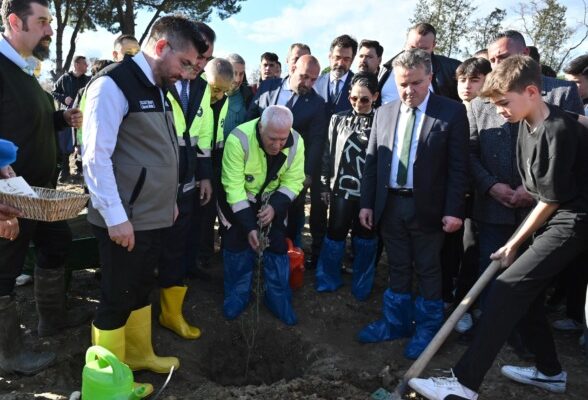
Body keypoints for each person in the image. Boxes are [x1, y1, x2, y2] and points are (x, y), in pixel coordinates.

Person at [409, 55, 588, 400]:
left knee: (507, 286)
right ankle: (550, 372)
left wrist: (512, 244)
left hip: (574, 221)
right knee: (527, 293)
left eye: (504, 103)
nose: (500, 110)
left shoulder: (557, 130)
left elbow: (549, 200)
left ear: (533, 92)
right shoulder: (528, 125)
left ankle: (464, 383)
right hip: (552, 218)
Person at [82, 15, 208, 385]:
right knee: (115, 297)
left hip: (152, 214)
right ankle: (105, 384)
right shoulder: (112, 84)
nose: (187, 74)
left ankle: (138, 356)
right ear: (160, 47)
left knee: (139, 289)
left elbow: (160, 149)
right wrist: (116, 217)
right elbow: (95, 157)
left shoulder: (157, 85)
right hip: (124, 219)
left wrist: (167, 199)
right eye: (185, 63)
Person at [357, 49, 468, 360]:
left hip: (429, 209)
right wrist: (367, 203)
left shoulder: (451, 112)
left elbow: (458, 167)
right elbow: (372, 163)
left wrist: (453, 209)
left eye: (416, 83)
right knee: (398, 265)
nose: (409, 90)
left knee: (429, 268)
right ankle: (396, 323)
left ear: (429, 78)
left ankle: (428, 328)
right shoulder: (384, 112)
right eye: (403, 83)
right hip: (390, 205)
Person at [0, 0, 87, 375]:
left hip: (41, 194)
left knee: (57, 244)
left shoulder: (24, 69)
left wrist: (58, 118)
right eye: (43, 22)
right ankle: (7, 354)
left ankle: (50, 319)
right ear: (15, 21)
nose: (50, 30)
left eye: (51, 21)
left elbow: (21, 120)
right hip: (11, 198)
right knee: (4, 271)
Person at [219, 105, 305, 325]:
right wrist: (249, 227)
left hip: (271, 201)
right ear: (260, 127)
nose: (277, 145)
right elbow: (234, 188)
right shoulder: (238, 139)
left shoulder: (297, 141)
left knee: (276, 246)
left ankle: (277, 299)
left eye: (282, 139)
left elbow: (294, 180)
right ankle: (237, 297)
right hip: (238, 201)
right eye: (272, 139)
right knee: (236, 245)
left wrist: (275, 207)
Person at [156, 32, 216, 341]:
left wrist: (204, 174)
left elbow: (203, 133)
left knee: (180, 238)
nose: (202, 66)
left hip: (190, 174)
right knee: (154, 240)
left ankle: (171, 310)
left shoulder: (202, 87)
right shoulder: (158, 80)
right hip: (158, 174)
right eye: (198, 58)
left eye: (206, 59)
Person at [246, 55, 327, 254]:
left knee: (288, 212)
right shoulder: (269, 86)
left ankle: (288, 252)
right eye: (304, 76)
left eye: (313, 79)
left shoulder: (317, 104)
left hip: (290, 169)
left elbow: (317, 141)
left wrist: (307, 173)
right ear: (292, 68)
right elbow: (251, 116)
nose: (308, 83)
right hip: (256, 163)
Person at [315, 72, 379, 301]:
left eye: (364, 99)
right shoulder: (338, 118)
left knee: (366, 238)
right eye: (353, 98)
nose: (358, 103)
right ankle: (328, 278)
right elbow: (327, 153)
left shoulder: (383, 121)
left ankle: (362, 285)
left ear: (375, 96)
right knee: (335, 234)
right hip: (341, 188)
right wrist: (323, 185)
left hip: (368, 192)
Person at [451, 56, 491, 335]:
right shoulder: (449, 110)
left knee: (472, 251)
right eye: (462, 80)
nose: (467, 85)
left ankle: (467, 305)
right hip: (453, 196)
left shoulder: (496, 112)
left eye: (474, 79)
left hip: (484, 197)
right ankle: (451, 301)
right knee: (451, 252)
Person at [193, 58, 233, 272]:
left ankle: (204, 256)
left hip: (213, 162)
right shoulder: (196, 93)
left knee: (207, 213)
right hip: (194, 164)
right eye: (215, 88)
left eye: (224, 91)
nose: (218, 95)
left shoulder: (222, 99)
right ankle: (195, 257)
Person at [378, 23, 461, 105]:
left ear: (433, 45)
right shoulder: (386, 69)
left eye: (423, 49)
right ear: (406, 43)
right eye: (412, 47)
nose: (416, 53)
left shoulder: (452, 69)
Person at [51, 55, 90, 182]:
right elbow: (54, 92)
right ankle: (64, 172)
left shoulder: (88, 80)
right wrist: (64, 98)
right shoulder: (64, 78)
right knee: (64, 146)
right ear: (76, 64)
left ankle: (80, 171)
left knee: (80, 143)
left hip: (83, 117)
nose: (87, 66)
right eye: (84, 64)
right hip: (66, 118)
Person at [225, 53, 253, 135]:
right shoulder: (211, 95)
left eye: (241, 74)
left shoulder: (249, 96)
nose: (238, 79)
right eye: (234, 73)